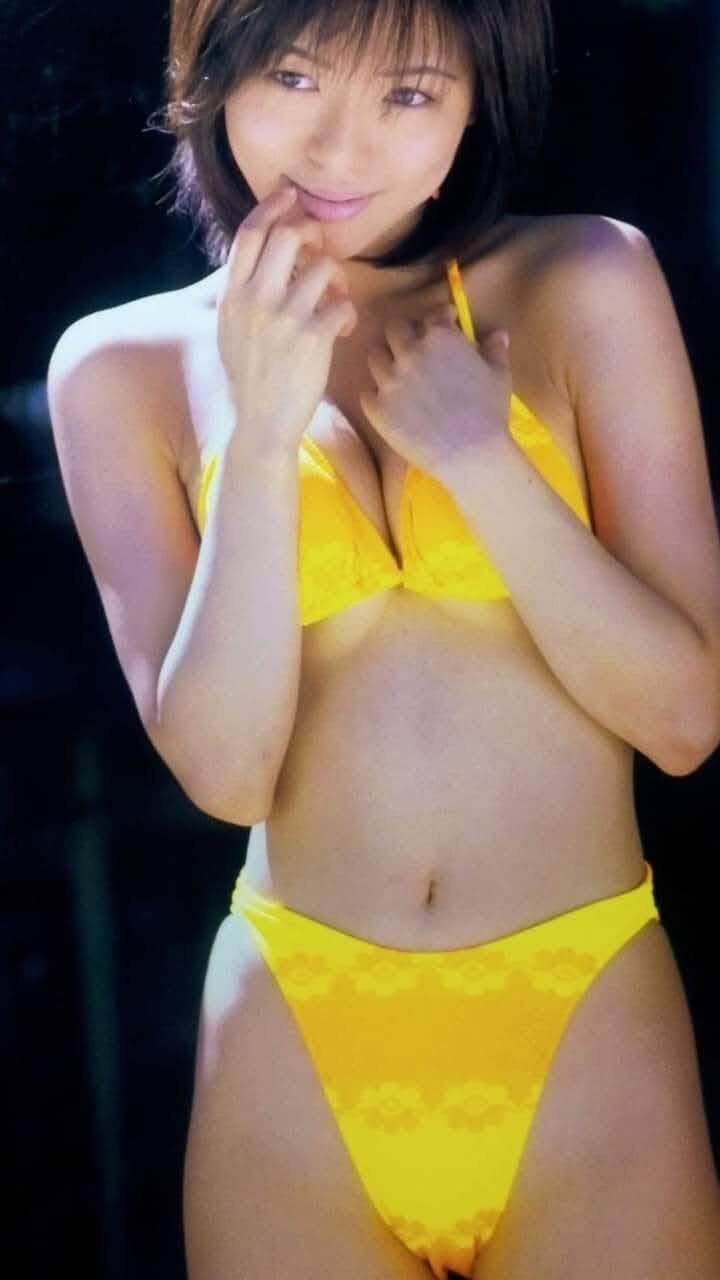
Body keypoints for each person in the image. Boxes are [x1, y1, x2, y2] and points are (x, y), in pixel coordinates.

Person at [47, 0, 720, 1277]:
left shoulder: (588, 279)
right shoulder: (119, 366)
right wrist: (258, 434)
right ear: (211, 73)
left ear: (476, 104)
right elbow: (228, 773)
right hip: (296, 1031)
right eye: (294, 78)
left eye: (407, 94)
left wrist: (485, 461)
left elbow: (686, 720)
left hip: (585, 1007)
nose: (339, 149)